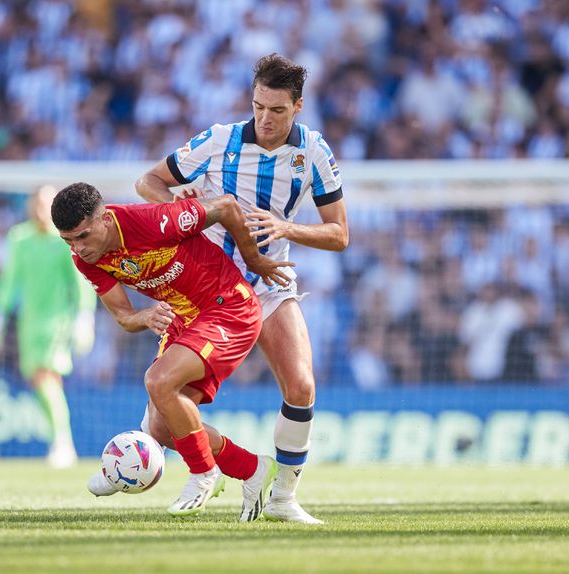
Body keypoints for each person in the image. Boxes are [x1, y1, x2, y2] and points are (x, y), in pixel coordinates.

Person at [135, 53, 349, 524]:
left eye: (277, 110)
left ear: (298, 106)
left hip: (269, 284)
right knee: (163, 426)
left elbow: (339, 234)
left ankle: (283, 498)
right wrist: (180, 206)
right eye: (258, 107)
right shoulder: (219, 140)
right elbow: (148, 182)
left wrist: (286, 227)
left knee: (302, 385)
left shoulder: (313, 152)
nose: (264, 119)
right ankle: (248, 467)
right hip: (206, 290)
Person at [50, 181, 292, 521]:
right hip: (184, 319)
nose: (78, 248)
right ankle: (252, 469)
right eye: (68, 241)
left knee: (158, 380)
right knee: (163, 428)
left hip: (228, 308)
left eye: (83, 236)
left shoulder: (155, 221)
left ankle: (203, 473)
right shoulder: (85, 259)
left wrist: (254, 259)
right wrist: (143, 316)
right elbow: (123, 317)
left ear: (104, 218)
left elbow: (226, 206)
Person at [0, 185, 96, 469]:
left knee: (46, 376)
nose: (40, 210)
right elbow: (11, 279)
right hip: (29, 322)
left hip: (57, 321)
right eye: (37, 204)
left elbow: (80, 279)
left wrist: (85, 316)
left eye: (46, 204)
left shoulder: (64, 239)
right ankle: (59, 441)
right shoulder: (20, 238)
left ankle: (62, 442)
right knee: (40, 380)